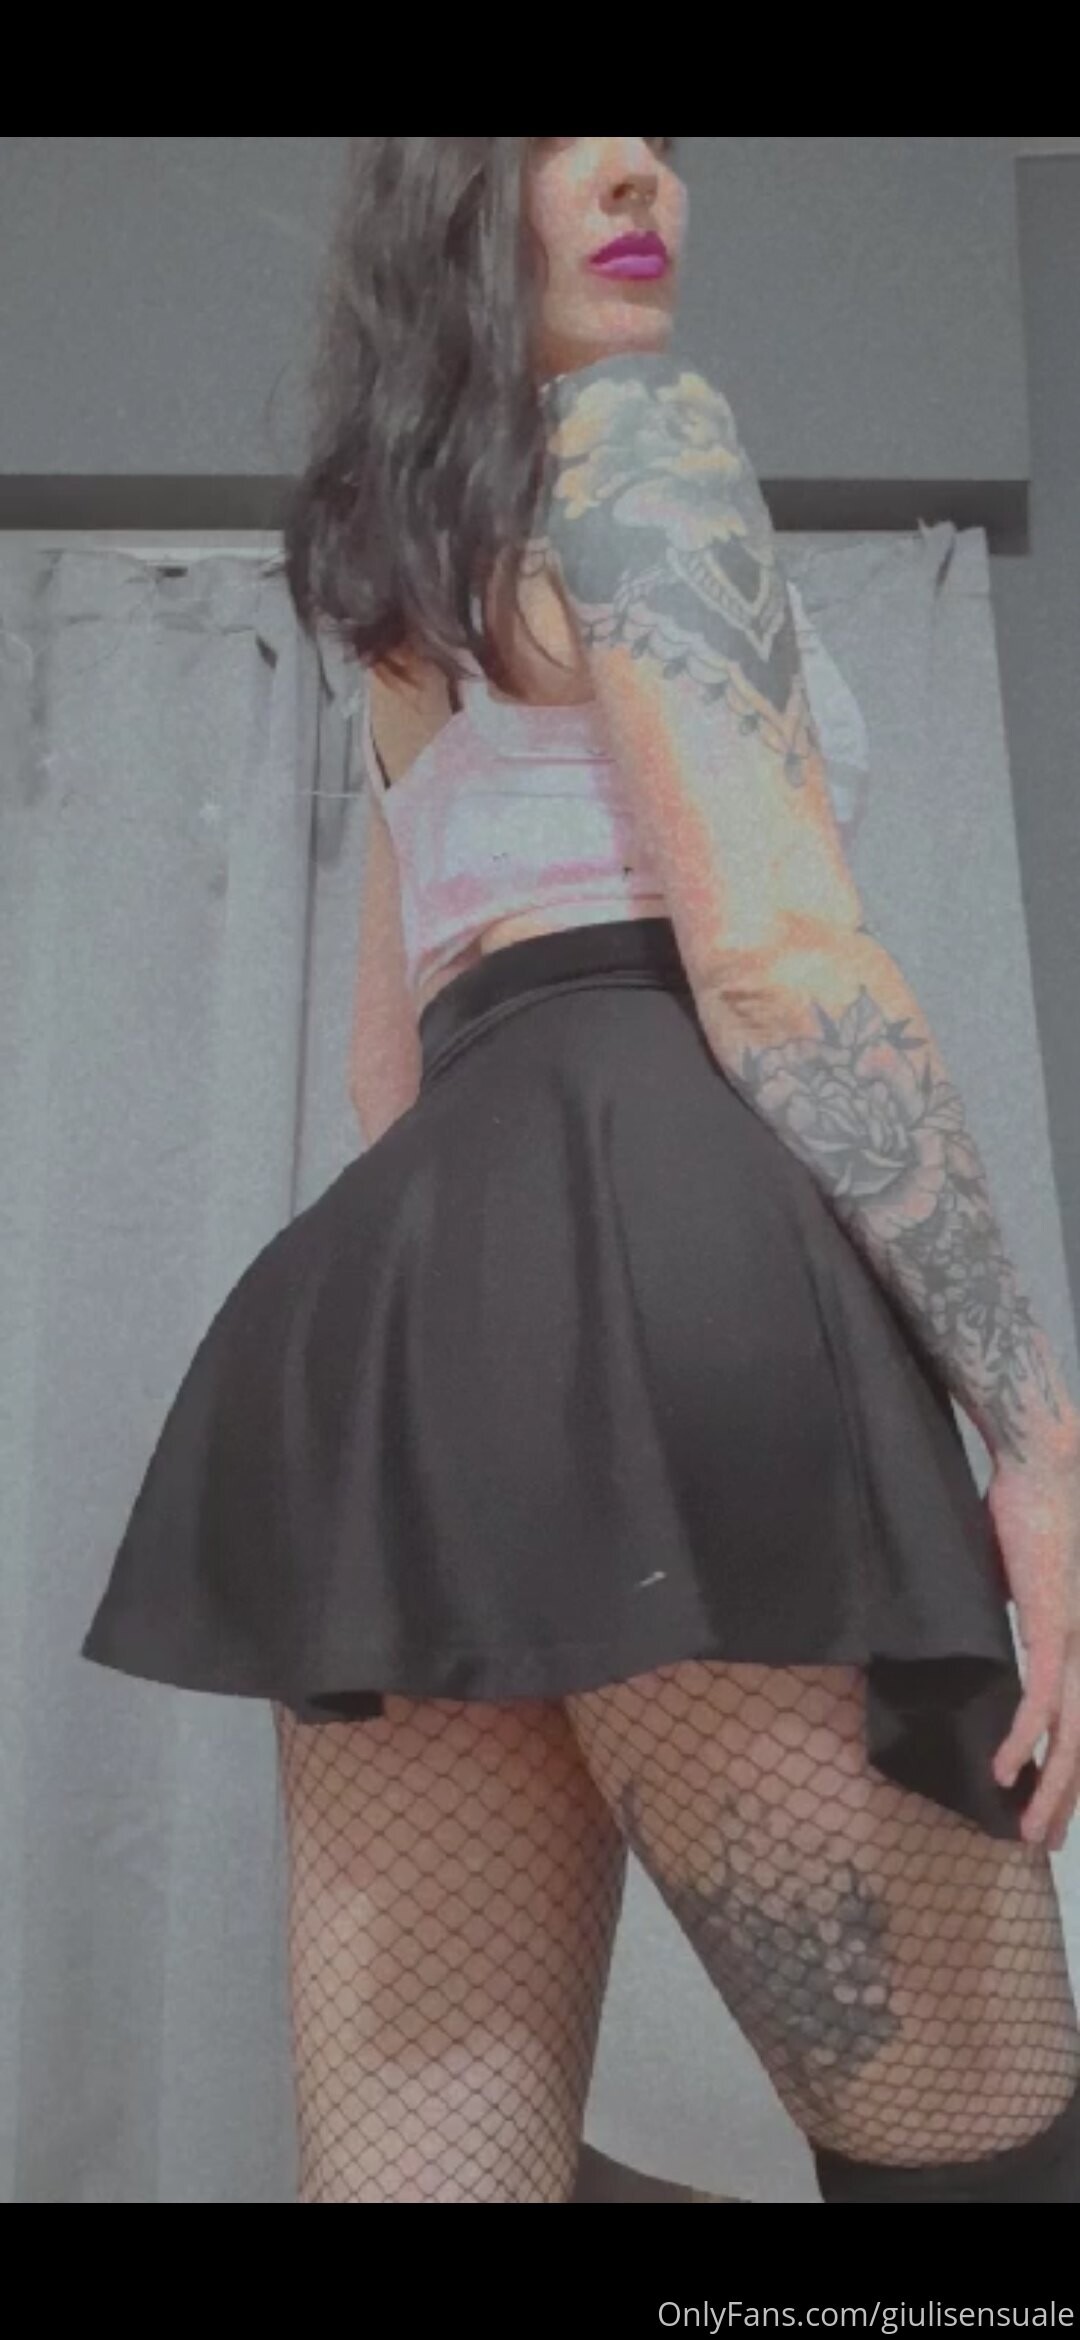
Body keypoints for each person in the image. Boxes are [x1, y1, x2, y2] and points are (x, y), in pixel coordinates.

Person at [83, 136, 1080, 2206]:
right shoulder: (640, 432)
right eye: (560, 136)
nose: (638, 170)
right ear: (456, 195)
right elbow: (777, 950)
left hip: (398, 1325)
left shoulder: (406, 569)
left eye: (660, 136)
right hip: (663, 1240)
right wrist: (1043, 1444)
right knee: (980, 2187)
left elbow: (389, 1062)